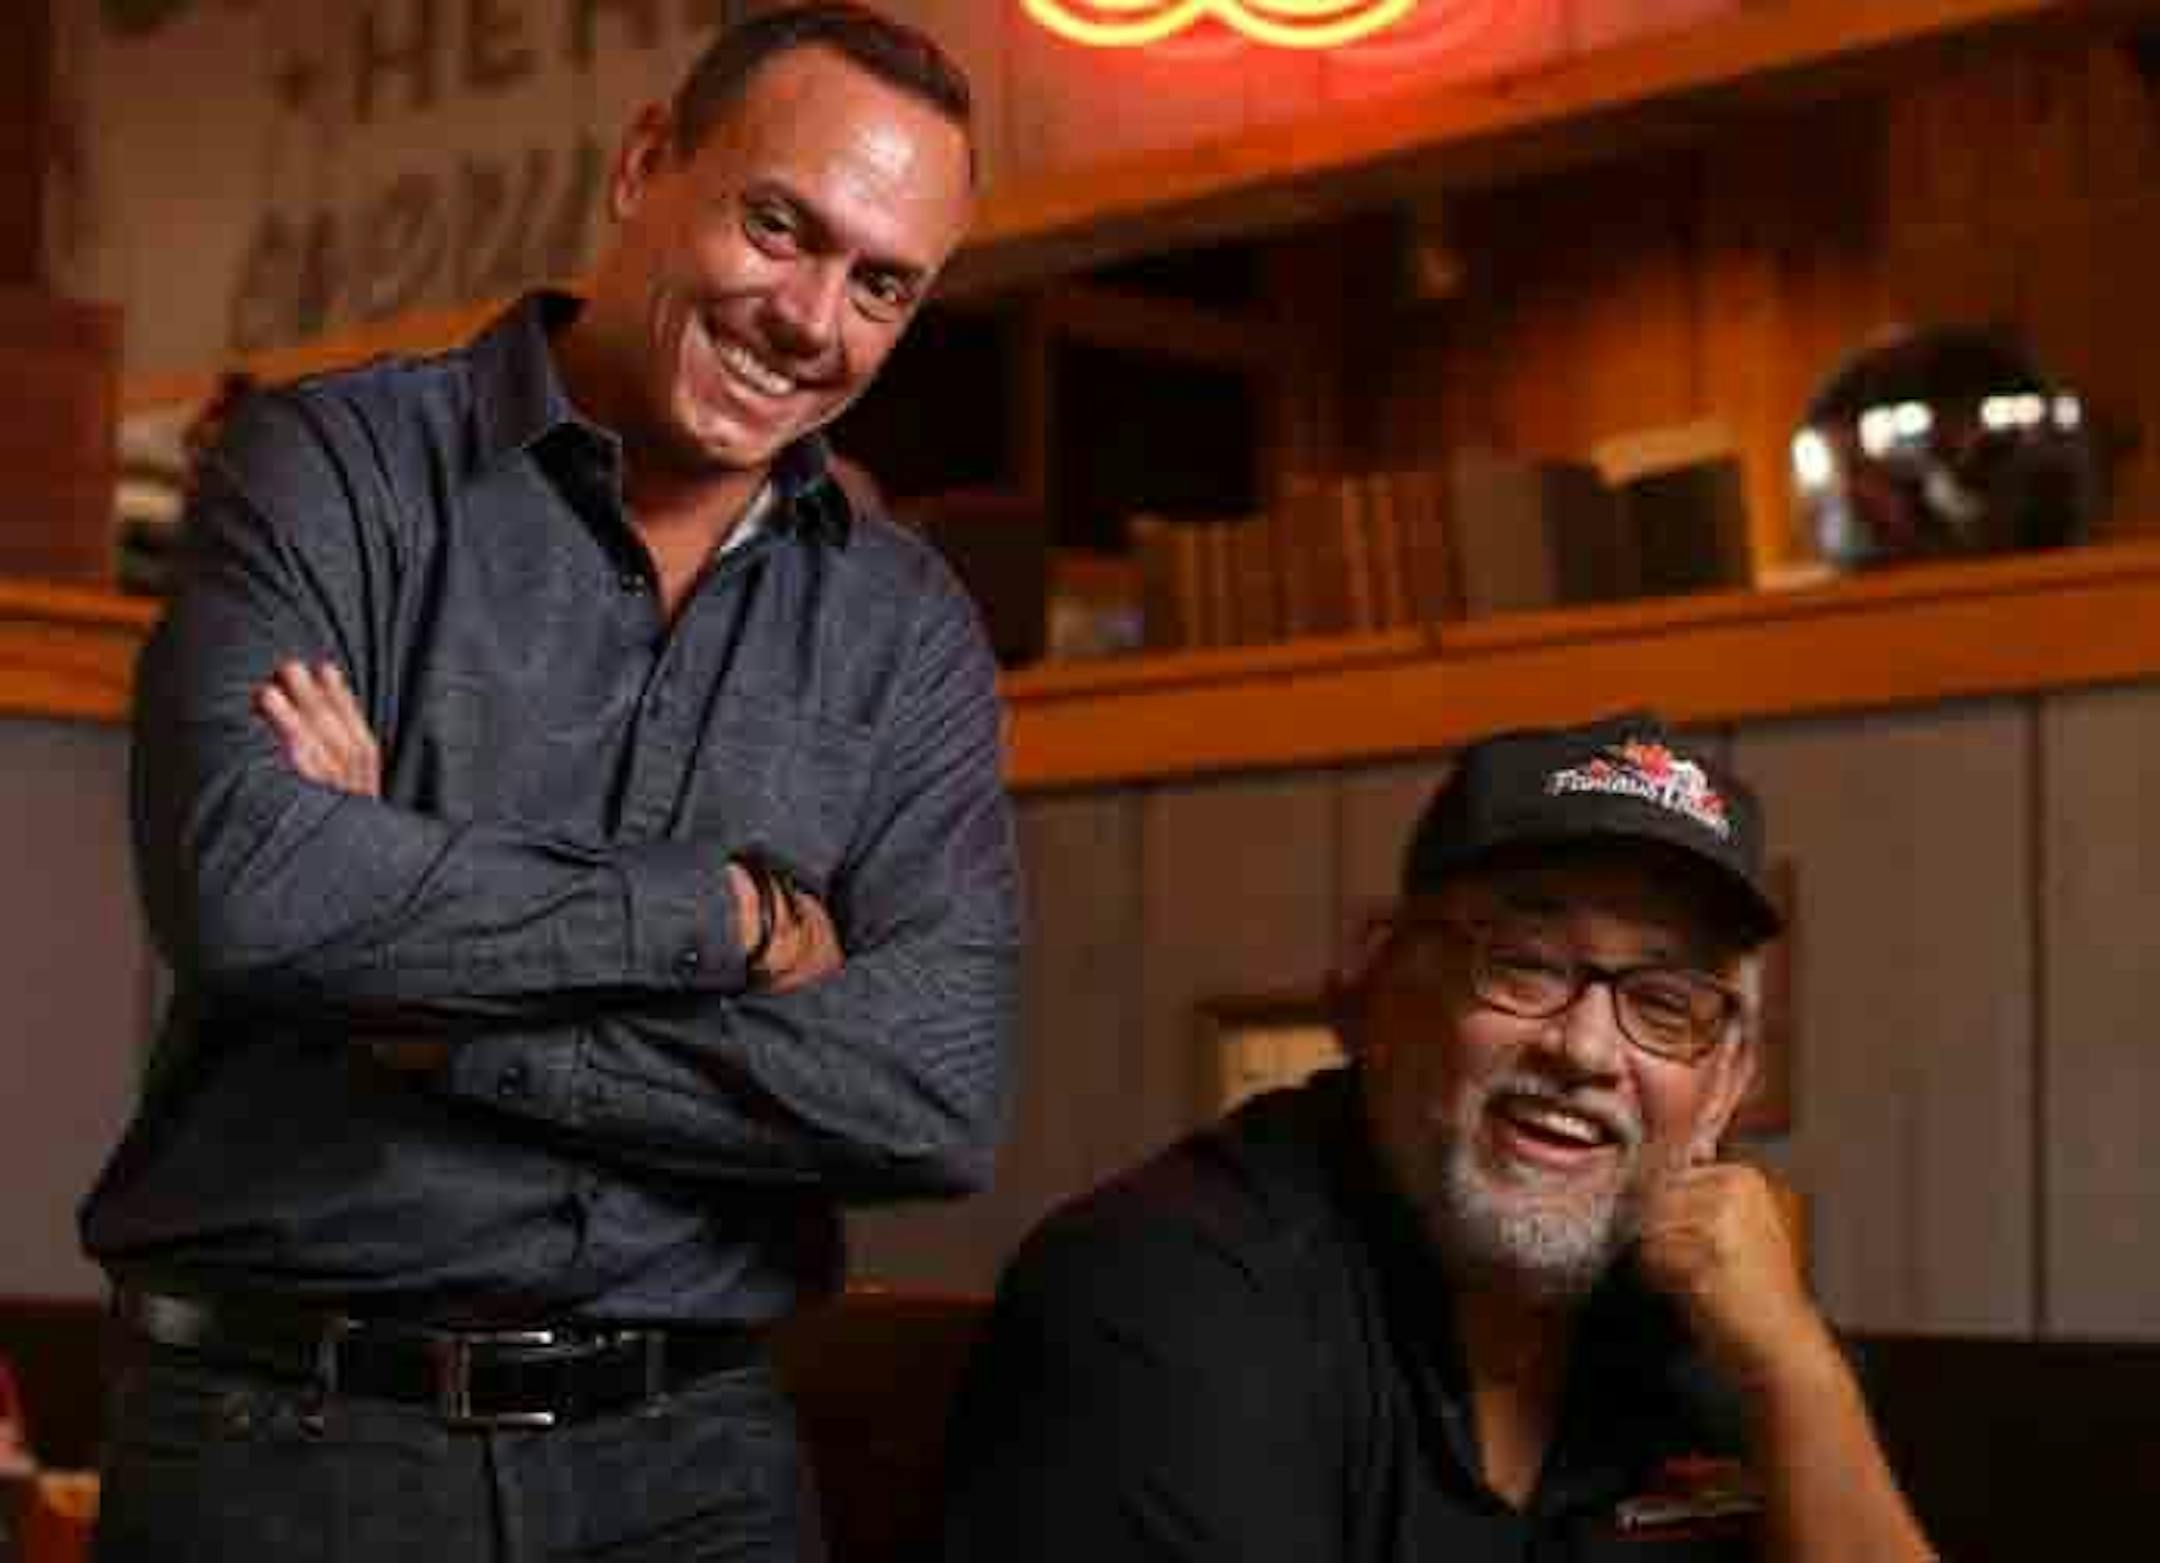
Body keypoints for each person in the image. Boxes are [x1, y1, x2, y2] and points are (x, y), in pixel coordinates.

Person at [80, 6, 1020, 1559]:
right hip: (288, 1445)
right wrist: (726, 919)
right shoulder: (335, 472)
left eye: (882, 284)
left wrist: (432, 1012)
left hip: (700, 1460)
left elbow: (930, 1091)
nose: (811, 317)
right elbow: (255, 894)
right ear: (648, 160)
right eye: (778, 225)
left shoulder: (904, 630)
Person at [941, 714, 1933, 1561]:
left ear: (1723, 1088)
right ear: (1374, 989)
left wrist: (1798, 1374)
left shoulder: (1736, 1333)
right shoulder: (1162, 1299)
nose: (1586, 1049)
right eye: (1525, 963)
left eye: (1665, 1003)